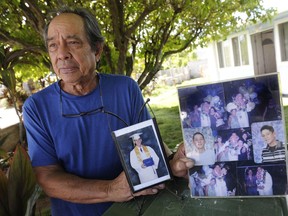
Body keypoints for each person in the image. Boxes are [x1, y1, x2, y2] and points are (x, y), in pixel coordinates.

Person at [22, 7, 194, 216]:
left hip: (138, 208)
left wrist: (173, 162)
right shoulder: (36, 107)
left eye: (73, 42)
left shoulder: (125, 88)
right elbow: (47, 177)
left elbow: (148, 143)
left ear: (97, 49)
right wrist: (112, 189)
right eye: (53, 46)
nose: (62, 54)